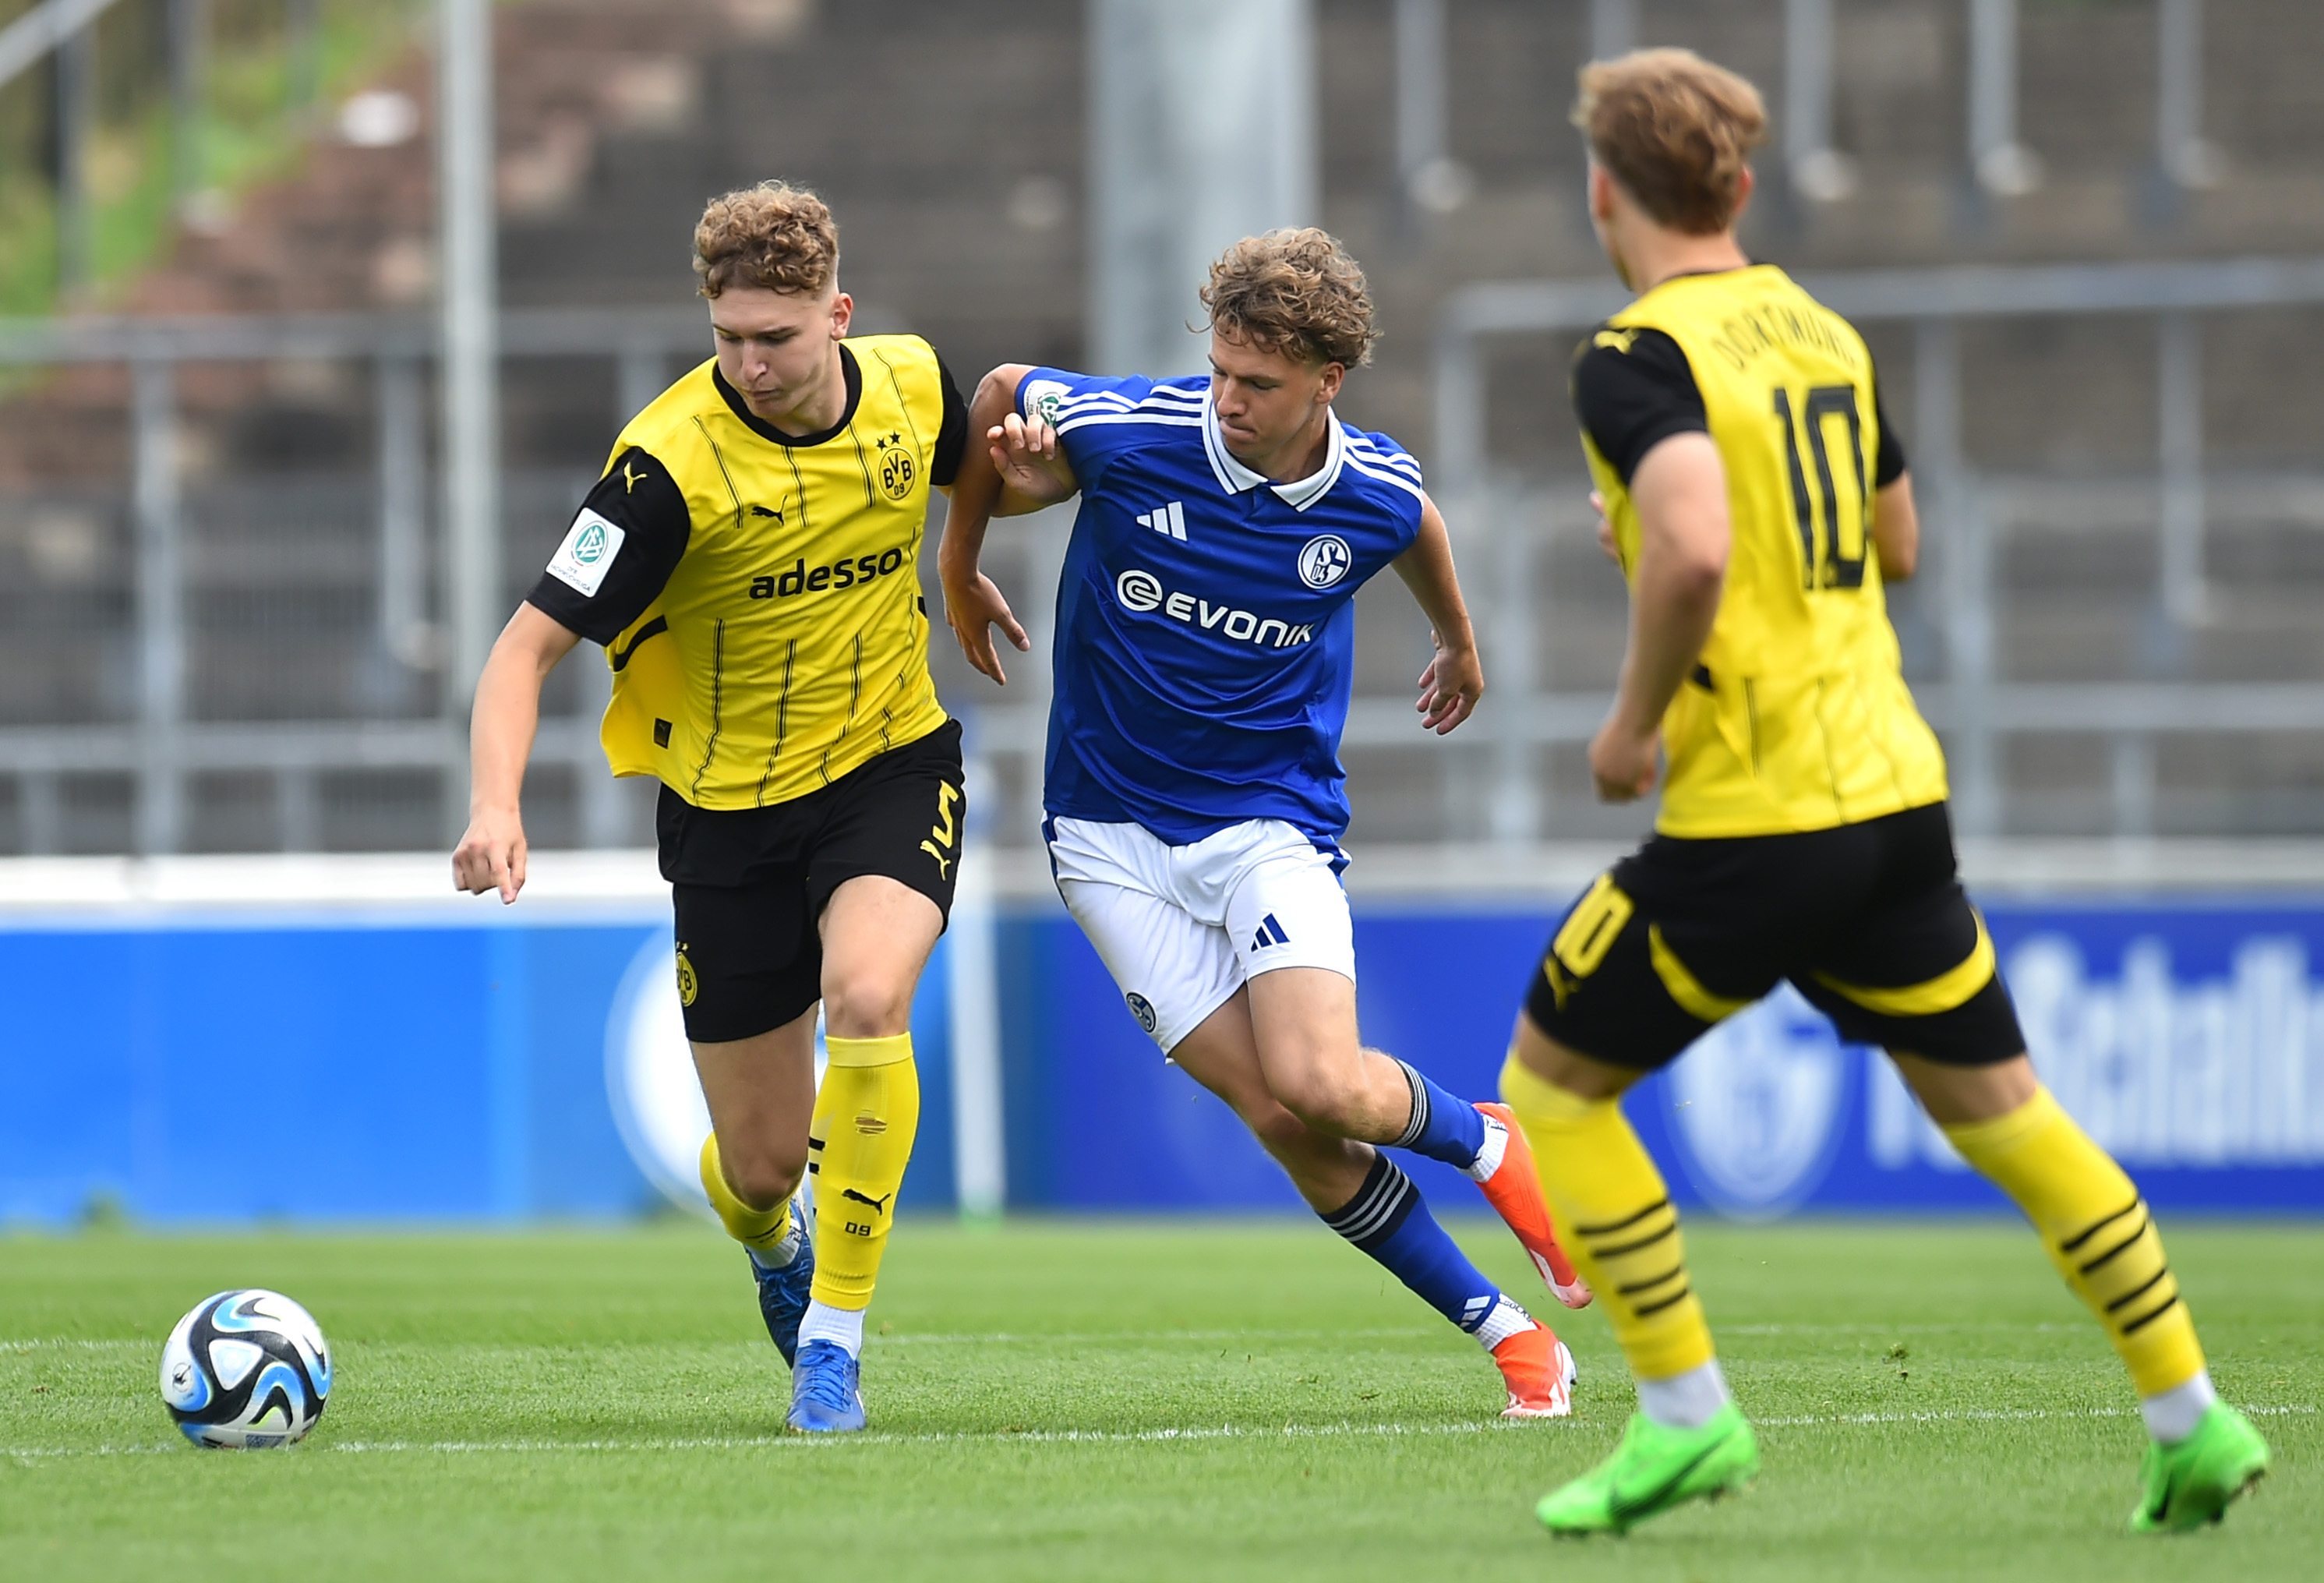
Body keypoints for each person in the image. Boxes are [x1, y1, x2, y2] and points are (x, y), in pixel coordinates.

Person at [1495, 49, 2272, 1533]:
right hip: (1894, 805)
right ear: (1735, 184)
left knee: (1551, 1086)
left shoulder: (1632, 355)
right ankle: (2188, 1417)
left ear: (1605, 190)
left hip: (1753, 820)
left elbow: (1700, 550)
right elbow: (1894, 540)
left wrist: (1626, 723)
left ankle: (1682, 1415)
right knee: (2009, 1114)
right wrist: (1695, 545)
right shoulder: (1820, 329)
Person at [941, 228, 1592, 1419]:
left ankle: (1487, 1141)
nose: (1226, 401)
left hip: (1262, 821)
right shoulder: (1134, 432)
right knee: (1280, 1120)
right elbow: (992, 397)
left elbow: (1418, 528)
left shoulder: (1372, 493)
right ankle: (1512, 1339)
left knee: (1324, 1086)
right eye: (1222, 371)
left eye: (1259, 386)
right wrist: (962, 550)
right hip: (1102, 838)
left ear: (1325, 384)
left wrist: (1457, 639)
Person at [454, 181, 970, 1435]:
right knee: (753, 1172)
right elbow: (523, 652)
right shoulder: (663, 467)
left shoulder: (912, 388)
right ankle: (770, 1240)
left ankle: (833, 1344)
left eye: (775, 338)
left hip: (888, 766)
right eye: (727, 336)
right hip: (727, 819)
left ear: (837, 317)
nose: (747, 363)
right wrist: (494, 805)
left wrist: (959, 564)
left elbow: (996, 458)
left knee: (869, 995)